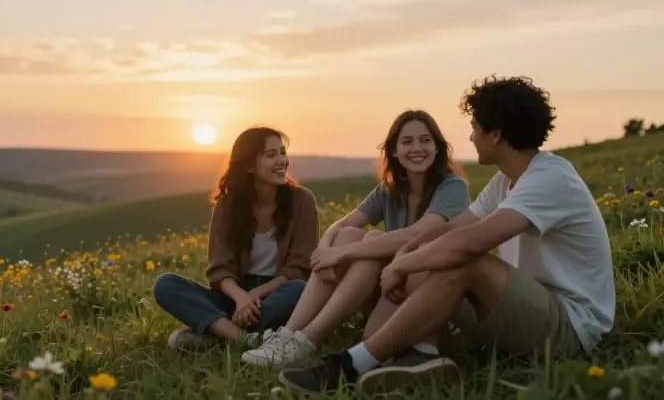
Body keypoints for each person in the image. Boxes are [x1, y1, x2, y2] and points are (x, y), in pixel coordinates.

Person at [276, 75, 616, 396]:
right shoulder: (504, 182)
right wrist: (409, 253)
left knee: (464, 259)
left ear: (495, 134)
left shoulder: (549, 178)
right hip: (526, 309)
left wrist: (402, 266)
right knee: (440, 251)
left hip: (569, 325)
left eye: (475, 128)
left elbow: (471, 241)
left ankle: (349, 365)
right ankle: (422, 354)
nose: (470, 138)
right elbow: (451, 229)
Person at [241, 110, 470, 367]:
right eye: (407, 142)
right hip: (390, 283)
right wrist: (326, 251)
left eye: (425, 140)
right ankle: (288, 337)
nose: (417, 148)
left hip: (426, 290)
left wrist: (342, 254)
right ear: (394, 151)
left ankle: (307, 338)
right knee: (351, 235)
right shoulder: (390, 190)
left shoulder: (452, 187)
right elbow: (343, 224)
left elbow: (418, 234)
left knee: (369, 243)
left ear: (437, 148)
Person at [153, 126, 319, 350]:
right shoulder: (227, 206)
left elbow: (299, 268)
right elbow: (221, 269)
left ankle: (217, 336)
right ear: (249, 165)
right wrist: (241, 298)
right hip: (234, 298)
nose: (282, 161)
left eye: (282, 152)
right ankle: (246, 339)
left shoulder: (302, 201)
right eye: (272, 155)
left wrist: (256, 294)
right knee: (166, 285)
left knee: (299, 290)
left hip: (279, 293)